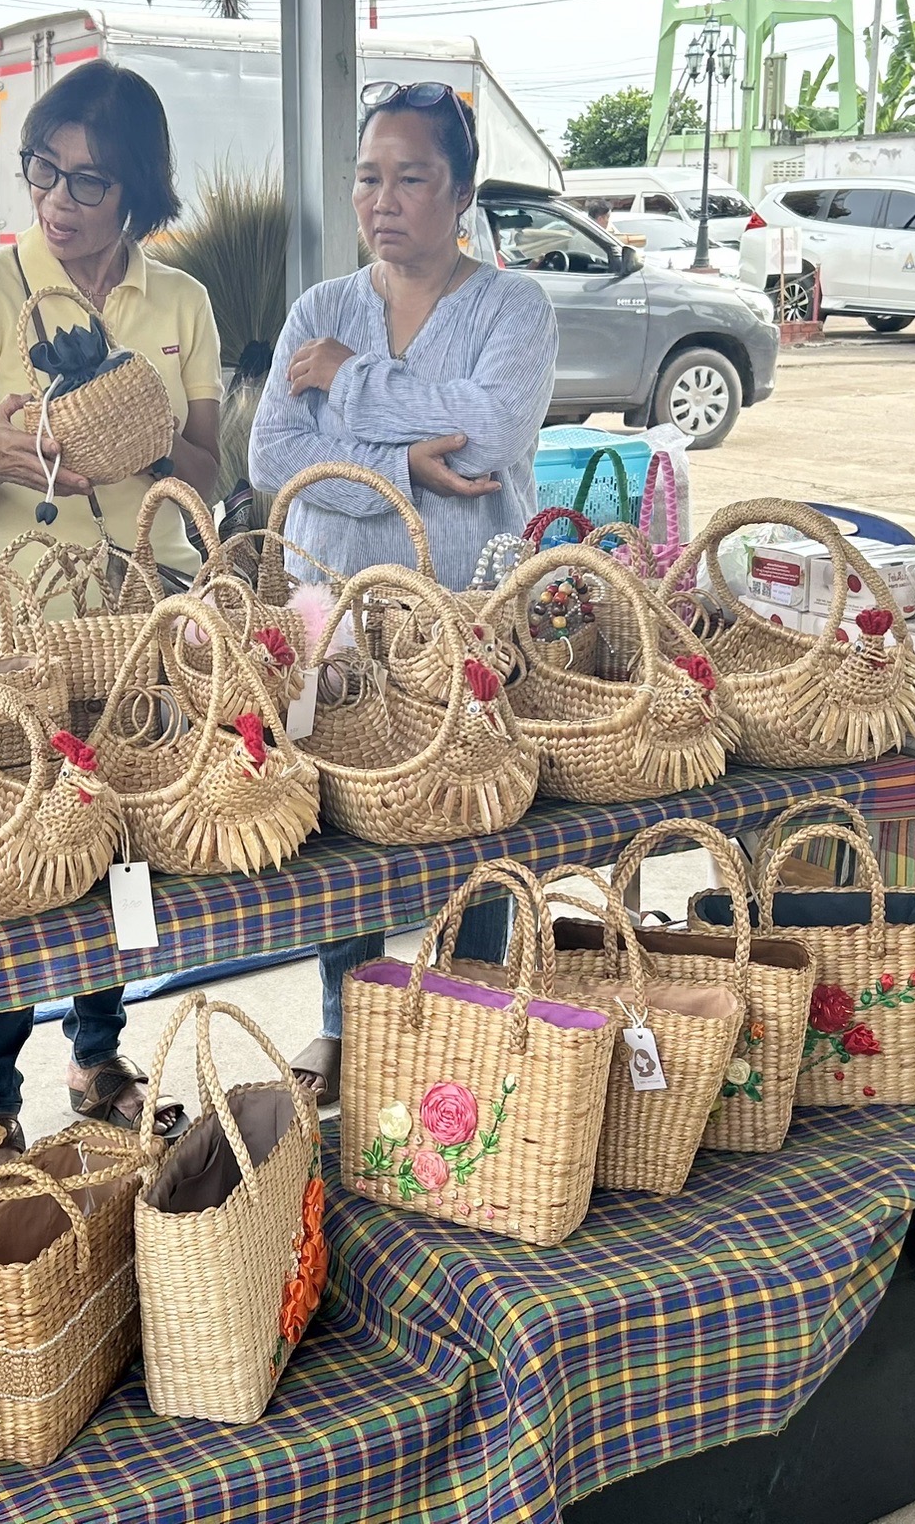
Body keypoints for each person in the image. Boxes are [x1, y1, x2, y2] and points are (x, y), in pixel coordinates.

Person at [0, 60, 222, 1161]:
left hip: (145, 608)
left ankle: (99, 1052)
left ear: (138, 187)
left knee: (118, 829)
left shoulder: (181, 302)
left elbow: (209, 470)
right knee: (8, 840)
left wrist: (141, 434)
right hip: (23, 616)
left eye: (90, 181)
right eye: (42, 171)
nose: (58, 199)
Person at [248, 79, 557, 1100]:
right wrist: (403, 469)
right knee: (345, 822)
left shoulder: (512, 307)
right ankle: (349, 1024)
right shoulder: (322, 309)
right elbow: (272, 457)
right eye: (368, 177)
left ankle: (467, 1020)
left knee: (475, 807)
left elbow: (492, 430)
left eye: (411, 177)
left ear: (461, 190)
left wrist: (347, 381)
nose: (381, 200)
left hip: (465, 612)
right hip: (333, 612)